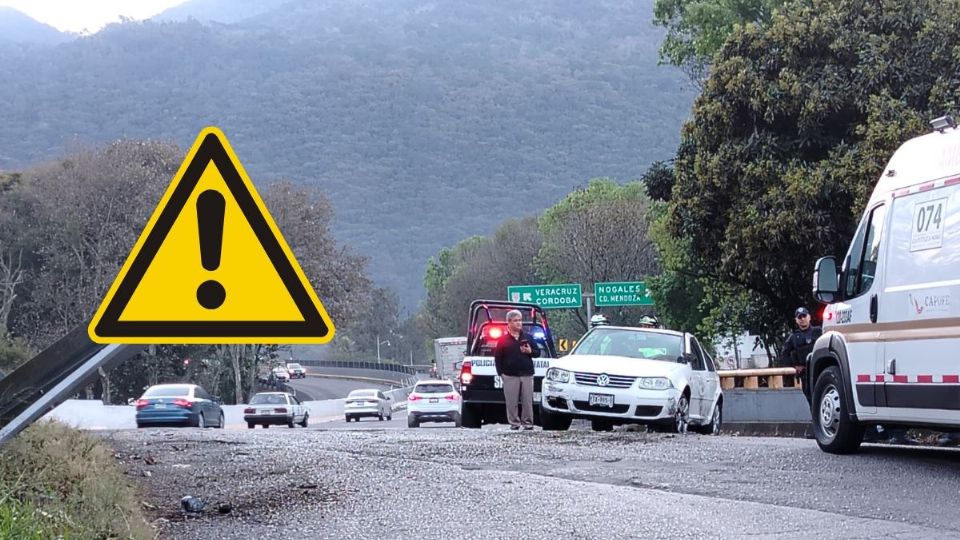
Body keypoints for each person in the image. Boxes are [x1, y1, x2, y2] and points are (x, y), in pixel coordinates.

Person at [494, 309, 540, 430]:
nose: (519, 323)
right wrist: (501, 374)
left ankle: (528, 423)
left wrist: (530, 352)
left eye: (520, 320)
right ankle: (514, 423)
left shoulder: (528, 338)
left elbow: (538, 353)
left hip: (527, 374)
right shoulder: (503, 340)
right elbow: (498, 358)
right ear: (508, 323)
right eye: (515, 321)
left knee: (527, 401)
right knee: (511, 401)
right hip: (509, 375)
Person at [780, 307, 821, 401]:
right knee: (811, 400)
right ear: (796, 320)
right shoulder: (793, 337)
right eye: (800, 317)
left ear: (809, 317)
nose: (802, 319)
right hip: (805, 374)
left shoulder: (819, 331)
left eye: (804, 316)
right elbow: (783, 355)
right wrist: (795, 366)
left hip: (820, 371)